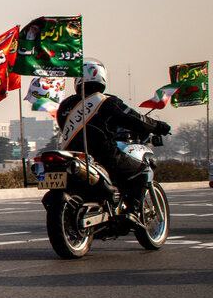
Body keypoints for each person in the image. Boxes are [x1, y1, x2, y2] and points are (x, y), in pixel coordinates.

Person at [55, 60, 171, 218]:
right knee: (141, 168)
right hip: (103, 155)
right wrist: (159, 126)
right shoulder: (106, 101)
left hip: (73, 156)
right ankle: (133, 211)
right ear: (101, 77)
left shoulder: (64, 106)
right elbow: (135, 119)